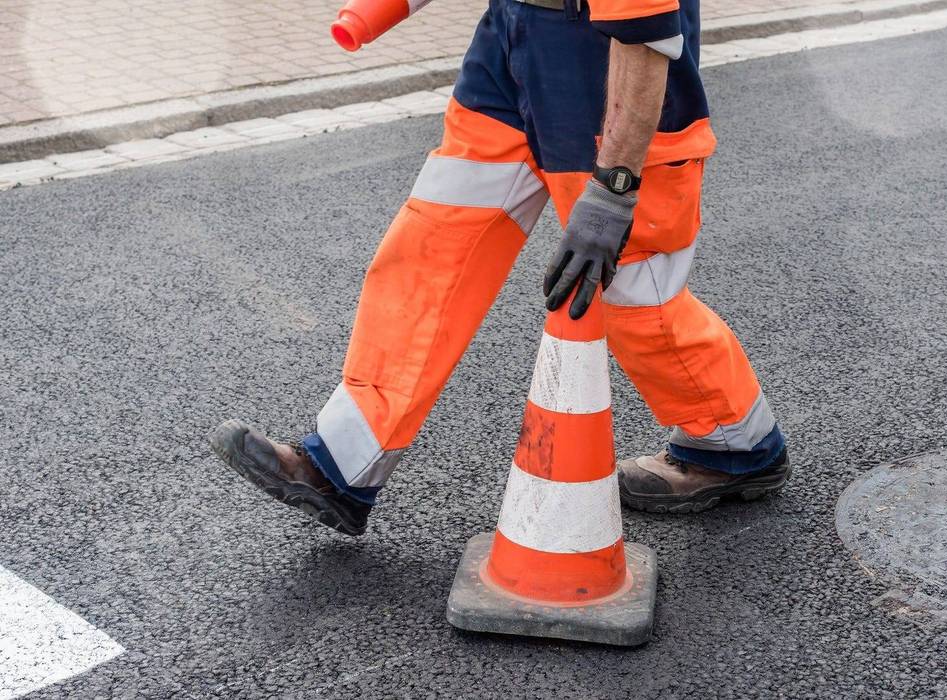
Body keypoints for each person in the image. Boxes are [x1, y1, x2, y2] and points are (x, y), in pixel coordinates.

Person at [210, 0, 789, 535]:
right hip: (512, 42)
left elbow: (643, 27)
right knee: (430, 253)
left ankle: (732, 440)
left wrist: (614, 189)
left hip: (612, 60)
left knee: (635, 295)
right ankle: (340, 461)